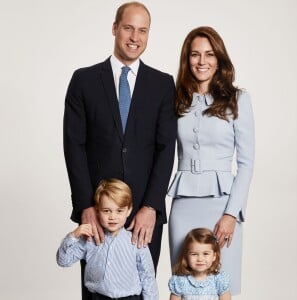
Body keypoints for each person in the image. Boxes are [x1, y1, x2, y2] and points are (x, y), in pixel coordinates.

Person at [63, 2, 177, 299]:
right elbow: (73, 145)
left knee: (140, 290)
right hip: (98, 210)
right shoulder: (84, 80)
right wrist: (86, 206)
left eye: (142, 30)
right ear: (115, 28)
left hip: (143, 212)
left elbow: (166, 149)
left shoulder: (163, 84)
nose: (134, 37)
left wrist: (151, 206)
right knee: (96, 290)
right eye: (128, 28)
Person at [168, 26, 255, 295]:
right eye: (195, 55)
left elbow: (247, 162)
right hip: (183, 205)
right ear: (187, 59)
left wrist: (231, 214)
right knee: (184, 287)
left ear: (219, 59)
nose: (202, 61)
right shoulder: (175, 100)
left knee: (222, 288)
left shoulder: (238, 100)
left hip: (223, 205)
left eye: (209, 54)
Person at [57, 178, 159, 300]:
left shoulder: (136, 242)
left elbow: (147, 276)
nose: (112, 217)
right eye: (106, 211)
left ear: (129, 210)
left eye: (119, 211)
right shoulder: (90, 240)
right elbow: (63, 261)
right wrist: (73, 235)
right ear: (97, 211)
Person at [168, 228, 231, 300]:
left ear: (214, 256)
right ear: (186, 256)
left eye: (205, 254)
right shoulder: (180, 282)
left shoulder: (219, 281)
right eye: (194, 254)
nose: (200, 259)